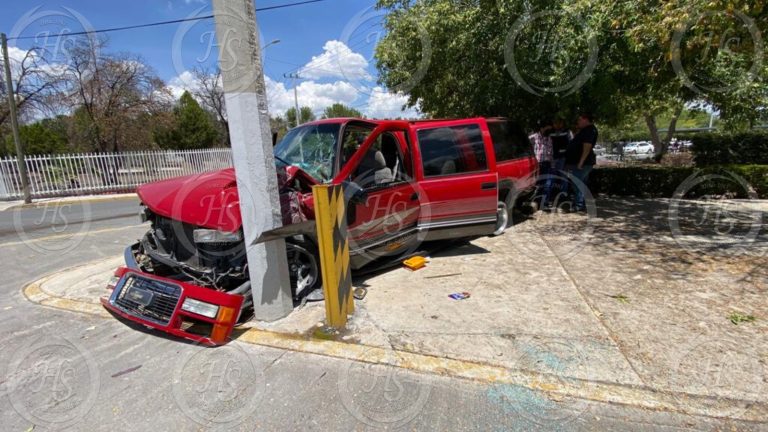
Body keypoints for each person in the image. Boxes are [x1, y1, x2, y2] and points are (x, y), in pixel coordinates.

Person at [565, 113, 598, 213]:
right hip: (580, 162)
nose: (578, 122)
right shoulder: (585, 130)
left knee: (577, 183)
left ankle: (579, 205)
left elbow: (587, 147)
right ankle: (581, 203)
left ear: (585, 119)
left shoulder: (590, 130)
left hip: (583, 163)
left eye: (579, 120)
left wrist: (581, 162)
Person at [545, 118, 571, 210]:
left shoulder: (566, 132)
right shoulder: (550, 132)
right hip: (553, 158)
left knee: (562, 178)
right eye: (554, 123)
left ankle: (562, 197)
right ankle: (548, 198)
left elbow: (569, 146)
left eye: (557, 122)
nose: (555, 124)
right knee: (551, 178)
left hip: (561, 158)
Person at [529, 120, 552, 207]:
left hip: (546, 163)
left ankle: (544, 203)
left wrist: (552, 164)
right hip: (536, 164)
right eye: (547, 129)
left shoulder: (549, 138)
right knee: (536, 184)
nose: (549, 131)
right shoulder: (533, 137)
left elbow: (551, 152)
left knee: (547, 184)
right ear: (542, 128)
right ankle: (535, 201)